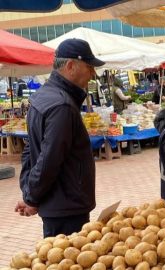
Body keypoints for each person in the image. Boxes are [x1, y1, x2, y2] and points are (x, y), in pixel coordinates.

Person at [15, 38, 105, 237]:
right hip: (67, 206)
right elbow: (49, 159)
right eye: (90, 67)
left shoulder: (44, 96)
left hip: (60, 203)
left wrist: (30, 194)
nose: (93, 73)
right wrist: (31, 198)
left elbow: (31, 151)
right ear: (71, 66)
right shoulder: (62, 106)